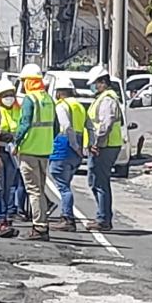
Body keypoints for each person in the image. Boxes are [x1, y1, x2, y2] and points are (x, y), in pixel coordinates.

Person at [14, 63, 57, 241]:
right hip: (44, 150)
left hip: (30, 149)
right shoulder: (48, 99)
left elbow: (24, 124)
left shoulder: (29, 100)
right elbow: (56, 126)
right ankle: (42, 224)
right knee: (39, 188)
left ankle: (39, 227)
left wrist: (16, 142)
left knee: (33, 190)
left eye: (24, 81)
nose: (23, 84)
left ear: (30, 81)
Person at [49, 77, 92, 232]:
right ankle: (66, 216)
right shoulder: (79, 106)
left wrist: (74, 145)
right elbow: (90, 126)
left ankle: (67, 218)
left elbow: (66, 127)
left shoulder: (62, 106)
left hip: (64, 146)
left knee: (62, 185)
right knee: (66, 183)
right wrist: (86, 146)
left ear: (60, 93)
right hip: (76, 148)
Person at [85, 65, 124, 232]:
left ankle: (103, 219)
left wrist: (97, 143)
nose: (93, 87)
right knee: (95, 181)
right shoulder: (103, 98)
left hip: (105, 146)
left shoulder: (107, 100)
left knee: (100, 182)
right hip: (103, 145)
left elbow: (105, 124)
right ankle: (103, 216)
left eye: (95, 83)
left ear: (102, 83)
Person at [0, 78, 21, 238]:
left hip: (13, 153)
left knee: (9, 187)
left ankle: (6, 217)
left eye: (11, 94)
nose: (9, 97)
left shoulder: (17, 110)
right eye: (5, 95)